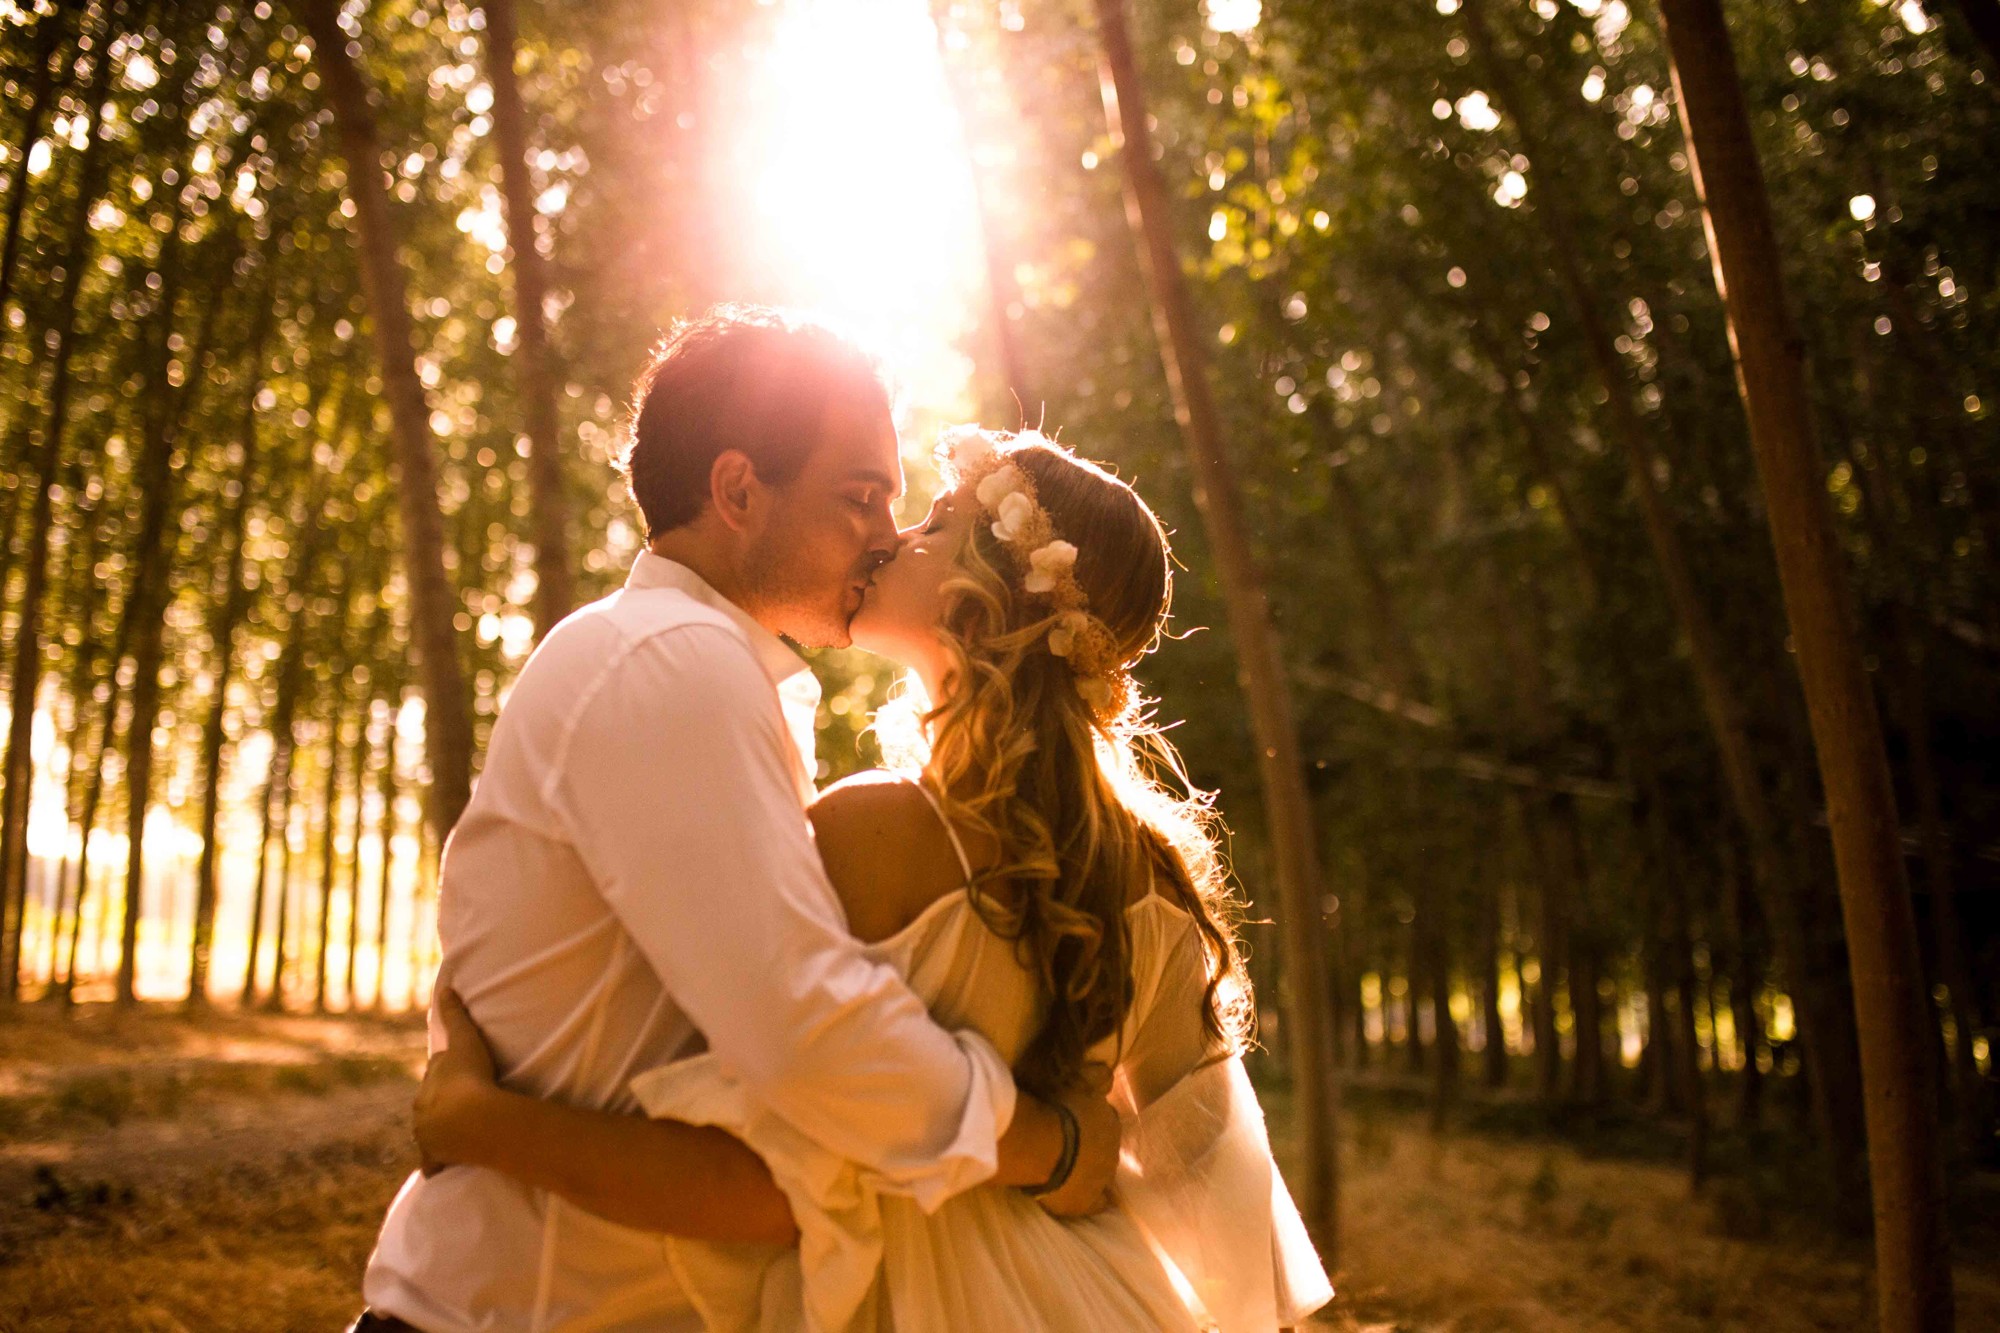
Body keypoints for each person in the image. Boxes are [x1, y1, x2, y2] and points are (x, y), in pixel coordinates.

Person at [413, 423, 1334, 1331]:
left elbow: (766, 1176)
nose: (893, 537)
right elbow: (1208, 1164)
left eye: (933, 525)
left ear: (986, 601)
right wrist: (1073, 1159)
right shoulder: (1154, 874)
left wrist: (483, 1124)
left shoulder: (868, 831)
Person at [352, 308, 1121, 1333]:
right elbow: (805, 1023)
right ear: (736, 490)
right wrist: (1045, 1147)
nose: (887, 534)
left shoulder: (708, 672)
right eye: (859, 496)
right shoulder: (673, 661)